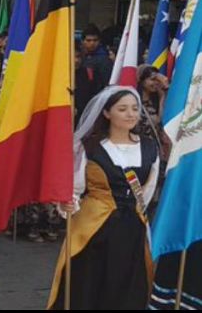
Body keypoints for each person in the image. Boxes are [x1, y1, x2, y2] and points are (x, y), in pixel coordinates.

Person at [48, 86, 158, 309]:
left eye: (135, 109)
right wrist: (68, 202)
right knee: (89, 286)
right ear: (107, 113)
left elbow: (147, 192)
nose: (130, 114)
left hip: (132, 230)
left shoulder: (149, 147)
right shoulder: (89, 147)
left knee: (128, 287)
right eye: (123, 109)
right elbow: (75, 187)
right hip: (94, 229)